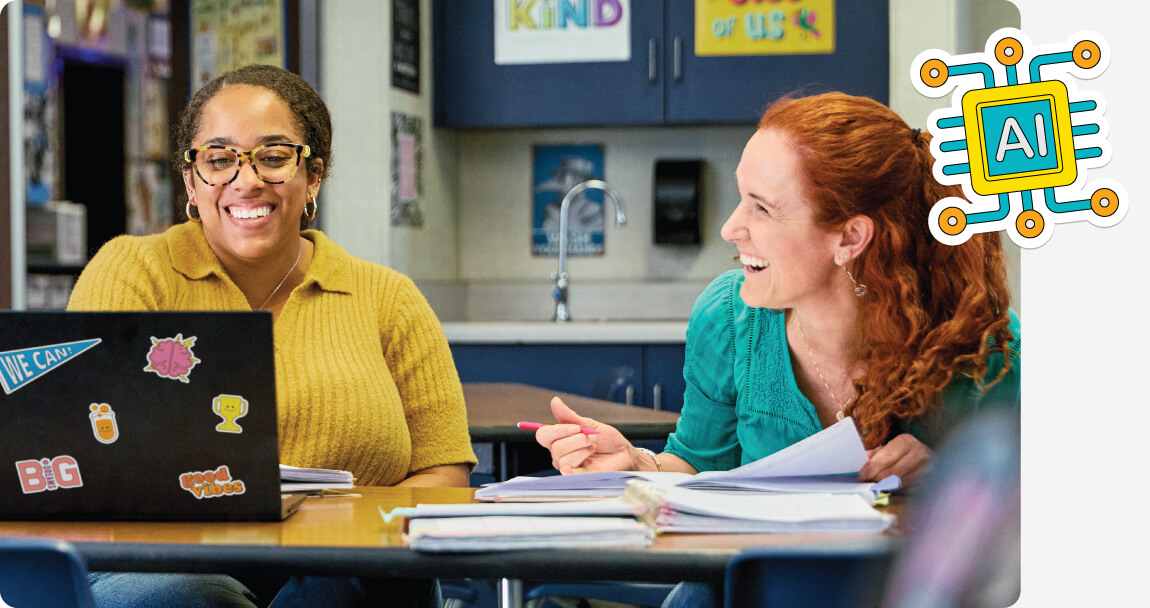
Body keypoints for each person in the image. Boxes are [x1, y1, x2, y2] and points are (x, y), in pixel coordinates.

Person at [532, 92, 1021, 608]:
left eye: (761, 208)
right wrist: (635, 463)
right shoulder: (726, 319)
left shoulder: (980, 347)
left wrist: (951, 475)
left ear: (849, 237)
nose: (730, 228)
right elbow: (698, 468)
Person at [67, 64, 476, 608]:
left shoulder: (388, 297)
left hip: (343, 569)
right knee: (189, 596)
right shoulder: (132, 272)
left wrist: (332, 532)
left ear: (314, 176)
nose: (246, 179)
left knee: (361, 586)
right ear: (191, 180)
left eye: (274, 157)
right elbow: (79, 450)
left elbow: (444, 471)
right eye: (218, 160)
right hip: (165, 569)